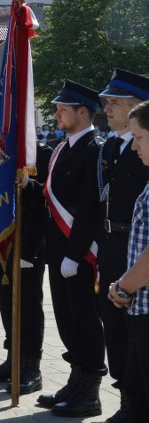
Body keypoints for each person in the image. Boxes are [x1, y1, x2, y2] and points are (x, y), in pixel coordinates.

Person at [37, 80, 106, 417]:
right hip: (59, 250)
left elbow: (91, 208)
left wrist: (76, 253)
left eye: (64, 108)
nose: (57, 112)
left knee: (85, 321)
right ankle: (75, 381)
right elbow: (56, 195)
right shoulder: (63, 147)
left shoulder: (95, 149)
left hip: (80, 255)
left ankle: (90, 391)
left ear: (83, 112)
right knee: (66, 320)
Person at [95, 69, 149, 421]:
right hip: (115, 246)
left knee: (137, 340)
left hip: (136, 250)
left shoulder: (138, 149)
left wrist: (128, 284)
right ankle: (127, 398)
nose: (108, 108)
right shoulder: (112, 145)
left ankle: (135, 403)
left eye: (116, 102)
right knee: (116, 330)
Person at [0, 140, 52, 394]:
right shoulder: (5, 150)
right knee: (6, 300)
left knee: (28, 304)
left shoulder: (41, 152)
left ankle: (31, 367)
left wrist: (30, 250)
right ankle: (13, 360)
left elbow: (45, 202)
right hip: (4, 239)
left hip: (28, 241)